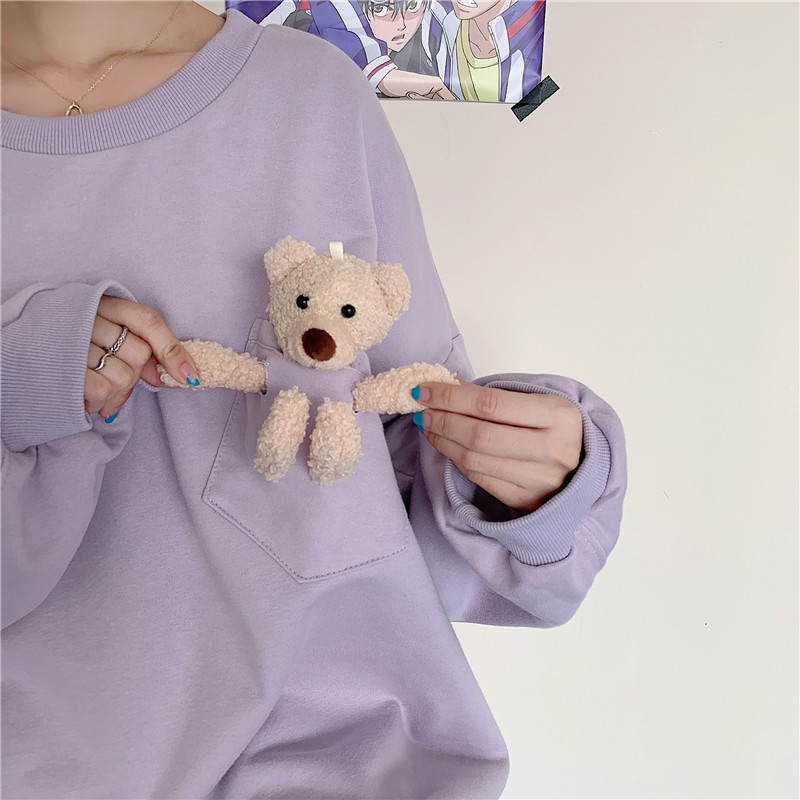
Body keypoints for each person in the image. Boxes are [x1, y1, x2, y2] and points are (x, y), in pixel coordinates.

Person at [0, 2, 626, 798]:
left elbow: (413, 436)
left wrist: (538, 488)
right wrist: (25, 380)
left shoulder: (309, 97)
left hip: (326, 764)